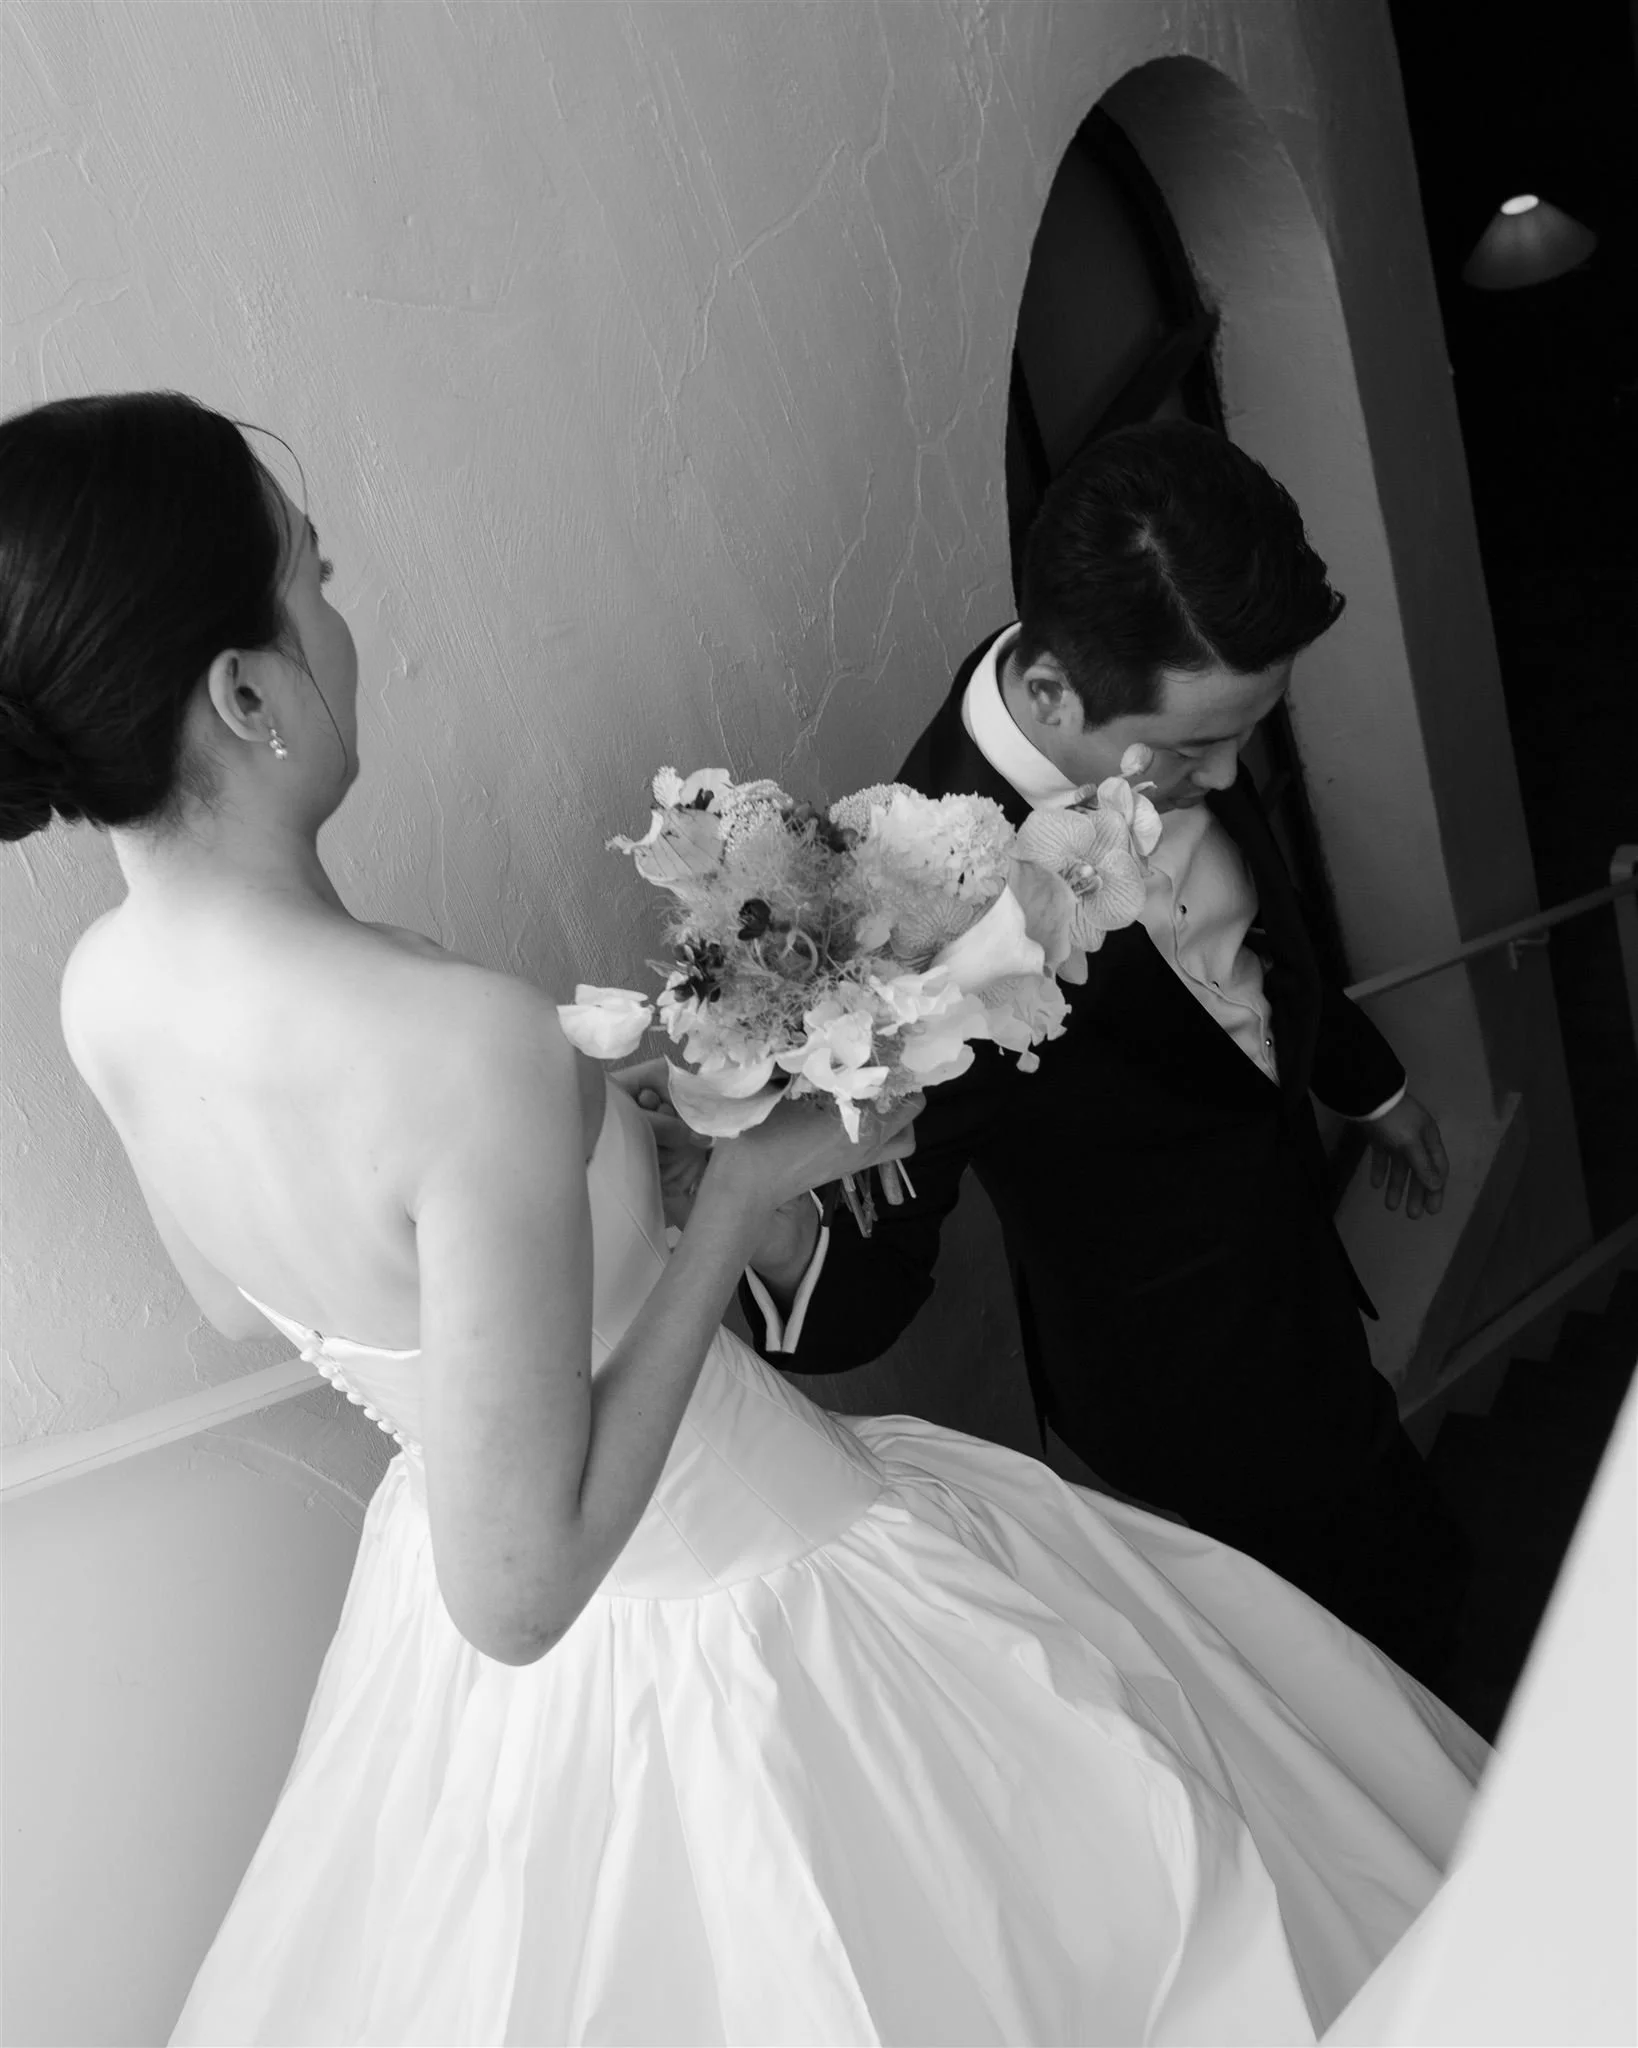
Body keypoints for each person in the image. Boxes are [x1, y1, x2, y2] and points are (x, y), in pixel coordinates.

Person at [1, 391, 1486, 2048]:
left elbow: (244, 1295)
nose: (341, 618)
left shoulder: (104, 985)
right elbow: (522, 1589)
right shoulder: (448, 1043)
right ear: (242, 689)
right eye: (311, 577)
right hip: (724, 1596)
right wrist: (739, 1199)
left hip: (463, 1604)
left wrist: (590, 1153)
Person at [729, 422, 1474, 1701]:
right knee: (1325, 1683)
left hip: (1297, 1255)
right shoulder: (915, 915)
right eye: (1191, 750)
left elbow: (1257, 941)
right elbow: (873, 1280)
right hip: (1185, 1393)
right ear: (1056, 694)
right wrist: (755, 1220)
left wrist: (1369, 1084)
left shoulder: (1157, 677)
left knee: (1429, 1588)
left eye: (1247, 731)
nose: (1230, 774)